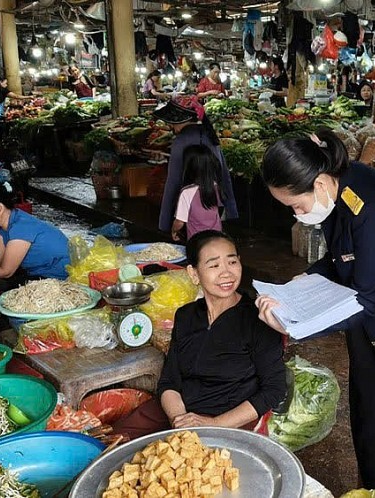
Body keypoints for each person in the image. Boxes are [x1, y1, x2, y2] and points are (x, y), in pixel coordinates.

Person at [255, 130, 375, 494]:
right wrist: (304, 280)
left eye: (296, 205)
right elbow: (340, 257)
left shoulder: (372, 212)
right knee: (364, 423)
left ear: (318, 183)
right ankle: (370, 486)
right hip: (367, 336)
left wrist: (295, 324)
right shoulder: (337, 190)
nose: (297, 215)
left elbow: (367, 300)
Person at [112, 230, 287, 440]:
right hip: (182, 410)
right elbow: (169, 381)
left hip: (230, 417)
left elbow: (274, 390)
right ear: (194, 273)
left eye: (232, 262)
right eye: (214, 265)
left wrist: (212, 424)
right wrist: (179, 419)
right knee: (115, 441)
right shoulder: (186, 316)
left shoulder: (258, 320)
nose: (226, 274)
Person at [153, 95, 238, 233]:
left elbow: (173, 182)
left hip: (190, 209)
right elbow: (224, 174)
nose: (170, 126)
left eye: (171, 122)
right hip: (214, 204)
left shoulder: (180, 141)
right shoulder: (211, 136)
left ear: (180, 119)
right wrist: (231, 209)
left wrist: (164, 222)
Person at [171, 145, 223, 241]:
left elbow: (179, 222)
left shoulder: (187, 193)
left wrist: (174, 231)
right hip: (217, 238)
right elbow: (219, 210)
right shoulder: (216, 187)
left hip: (197, 242)